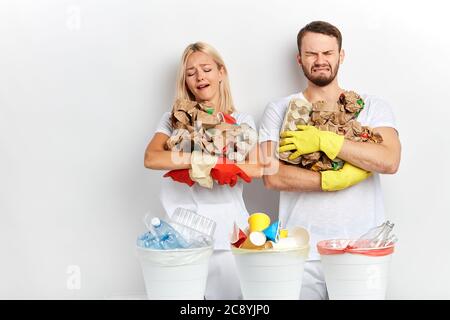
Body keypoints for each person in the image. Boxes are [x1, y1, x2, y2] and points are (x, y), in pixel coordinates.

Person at [258, 21, 401, 299]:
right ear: (299, 59)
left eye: (328, 53)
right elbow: (272, 175)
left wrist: (328, 141)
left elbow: (389, 159)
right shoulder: (279, 109)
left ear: (341, 55)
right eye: (311, 54)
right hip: (300, 250)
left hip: (362, 249)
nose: (320, 61)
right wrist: (331, 180)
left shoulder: (371, 107)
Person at [144, 42, 262, 299]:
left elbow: (256, 168)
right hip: (182, 238)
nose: (199, 76)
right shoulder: (173, 120)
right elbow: (152, 158)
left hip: (228, 233)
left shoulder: (241, 122)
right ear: (185, 82)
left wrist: (223, 165)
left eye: (206, 68)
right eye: (190, 73)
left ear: (221, 73)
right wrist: (200, 160)